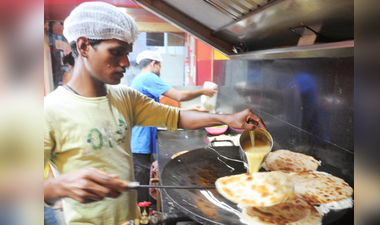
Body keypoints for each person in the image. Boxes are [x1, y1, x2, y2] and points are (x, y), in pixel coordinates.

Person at [43, 2, 266, 225]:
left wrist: (226, 118)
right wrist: (59, 186)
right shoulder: (48, 111)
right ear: (83, 46)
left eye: (127, 53)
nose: (124, 62)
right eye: (116, 52)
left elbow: (176, 117)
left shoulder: (124, 96)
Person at [130, 50, 216, 203]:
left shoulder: (138, 80)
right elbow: (179, 96)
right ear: (153, 63)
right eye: (160, 66)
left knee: (141, 181)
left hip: (140, 140)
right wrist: (204, 91)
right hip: (139, 141)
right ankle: (141, 216)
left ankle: (143, 213)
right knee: (140, 185)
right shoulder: (148, 78)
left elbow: (159, 111)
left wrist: (191, 109)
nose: (160, 72)